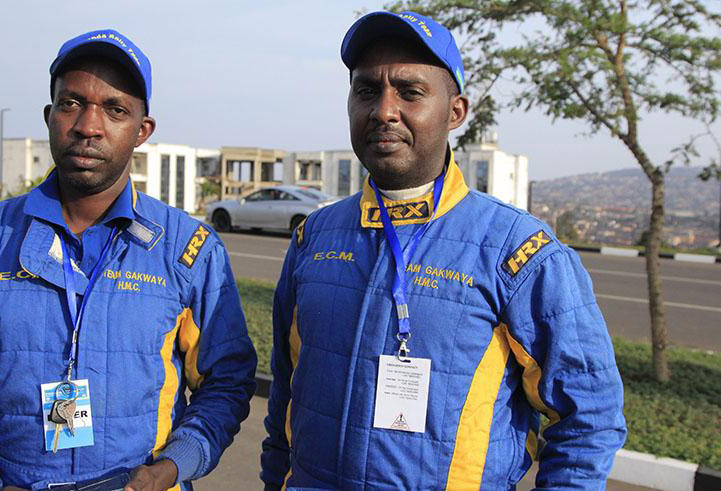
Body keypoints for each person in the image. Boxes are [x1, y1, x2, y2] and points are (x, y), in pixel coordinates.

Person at [261, 11, 626, 490]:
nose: (384, 111)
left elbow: (588, 420)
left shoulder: (519, 252)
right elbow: (286, 398)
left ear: (455, 112)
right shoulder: (316, 237)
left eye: (410, 92)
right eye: (367, 90)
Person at [0, 29, 256, 491]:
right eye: (72, 104)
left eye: (115, 109)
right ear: (50, 117)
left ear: (142, 131)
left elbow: (226, 380)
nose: (89, 126)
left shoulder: (189, 251)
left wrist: (172, 466)